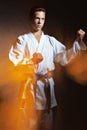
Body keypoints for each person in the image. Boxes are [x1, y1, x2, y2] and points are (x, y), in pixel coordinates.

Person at [9, 6, 86, 130]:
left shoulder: (50, 41)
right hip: (29, 93)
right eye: (37, 18)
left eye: (42, 19)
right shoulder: (22, 40)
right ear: (30, 19)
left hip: (47, 94)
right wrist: (31, 61)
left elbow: (64, 58)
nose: (40, 22)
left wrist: (77, 41)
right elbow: (14, 62)